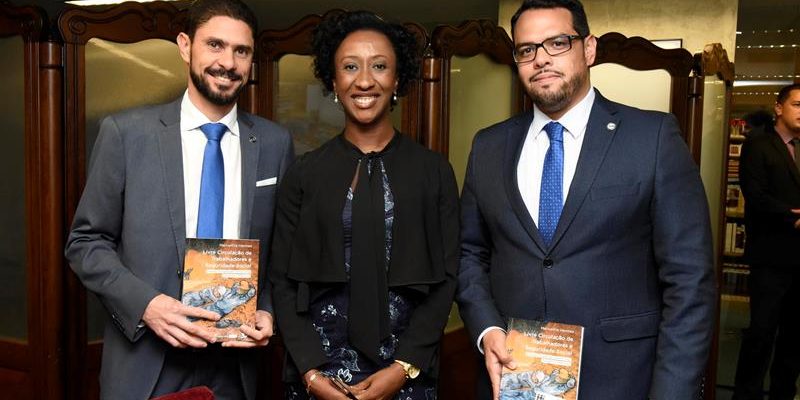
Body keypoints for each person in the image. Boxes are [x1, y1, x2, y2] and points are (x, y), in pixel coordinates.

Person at [455, 0, 716, 399]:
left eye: (558, 43)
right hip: (514, 378)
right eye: (526, 49)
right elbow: (469, 253)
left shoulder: (652, 138)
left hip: (622, 381)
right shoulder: (489, 145)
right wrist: (487, 328)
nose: (541, 59)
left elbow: (690, 281)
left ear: (589, 49)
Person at [64, 0, 294, 399]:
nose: (228, 63)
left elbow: (281, 254)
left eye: (241, 51)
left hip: (234, 368)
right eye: (215, 45)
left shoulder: (275, 143)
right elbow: (85, 243)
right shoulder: (127, 134)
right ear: (185, 46)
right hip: (145, 365)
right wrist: (147, 305)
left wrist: (268, 310)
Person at [269, 10, 460, 400]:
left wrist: (404, 367)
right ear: (333, 81)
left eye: (380, 66)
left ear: (397, 80)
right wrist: (311, 373)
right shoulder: (303, 174)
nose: (365, 80)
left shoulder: (434, 172)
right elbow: (282, 282)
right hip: (319, 372)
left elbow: (446, 279)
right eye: (350, 66)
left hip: (406, 373)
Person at [732, 83, 800, 400]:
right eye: (797, 104)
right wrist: (790, 216)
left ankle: (783, 394)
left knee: (794, 336)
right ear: (779, 108)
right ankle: (746, 394)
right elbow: (755, 194)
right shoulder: (758, 145)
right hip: (770, 257)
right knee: (761, 333)